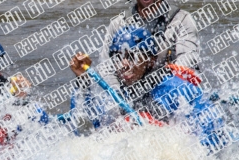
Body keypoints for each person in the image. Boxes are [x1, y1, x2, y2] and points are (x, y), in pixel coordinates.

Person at [68, 26, 226, 150]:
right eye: (118, 57)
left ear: (150, 60)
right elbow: (86, 130)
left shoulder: (176, 89)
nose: (123, 64)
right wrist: (83, 80)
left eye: (131, 56)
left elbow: (210, 124)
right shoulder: (117, 97)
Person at [96, 0, 201, 94]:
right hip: (129, 96)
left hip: (169, 93)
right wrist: (118, 100)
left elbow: (189, 61)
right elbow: (106, 70)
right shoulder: (117, 24)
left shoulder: (181, 19)